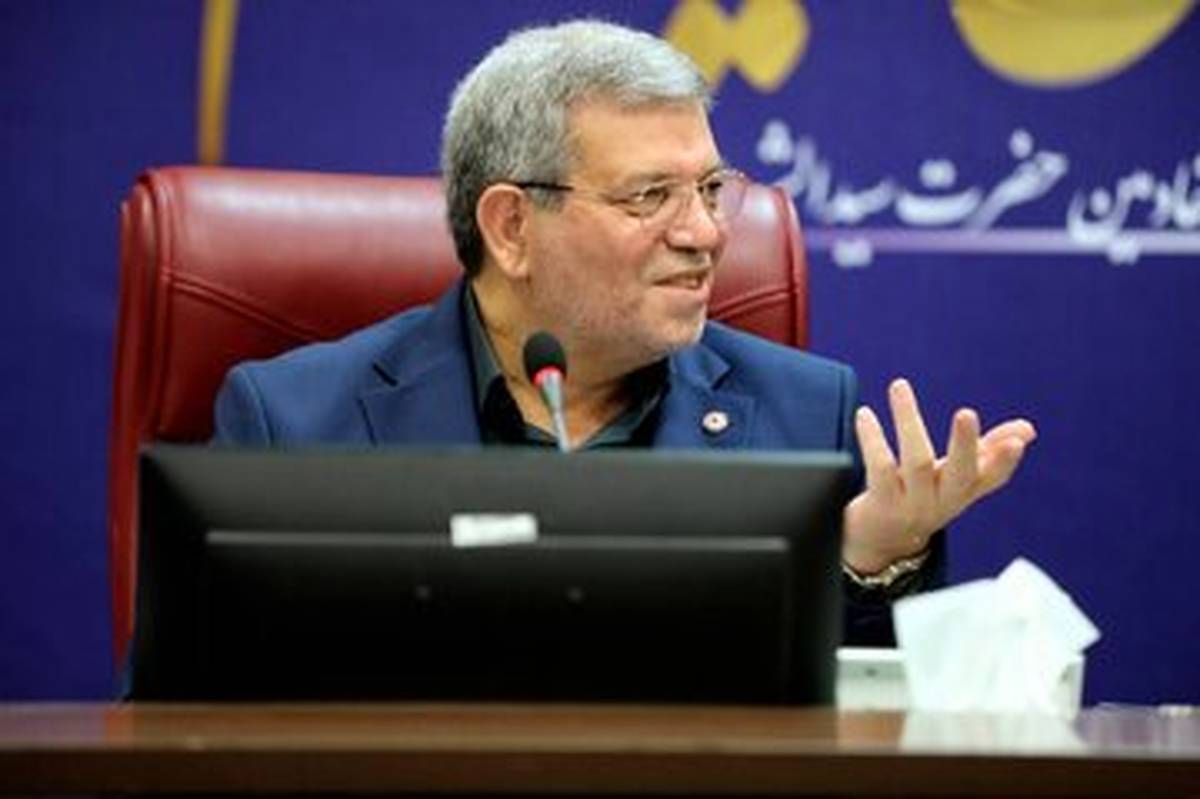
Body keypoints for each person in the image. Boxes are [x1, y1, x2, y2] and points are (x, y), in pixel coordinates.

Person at [213, 20, 1036, 644]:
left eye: (710, 189)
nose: (705, 233)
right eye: (649, 196)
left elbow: (873, 733)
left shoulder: (806, 415)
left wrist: (871, 561)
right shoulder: (294, 423)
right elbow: (206, 718)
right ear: (510, 227)